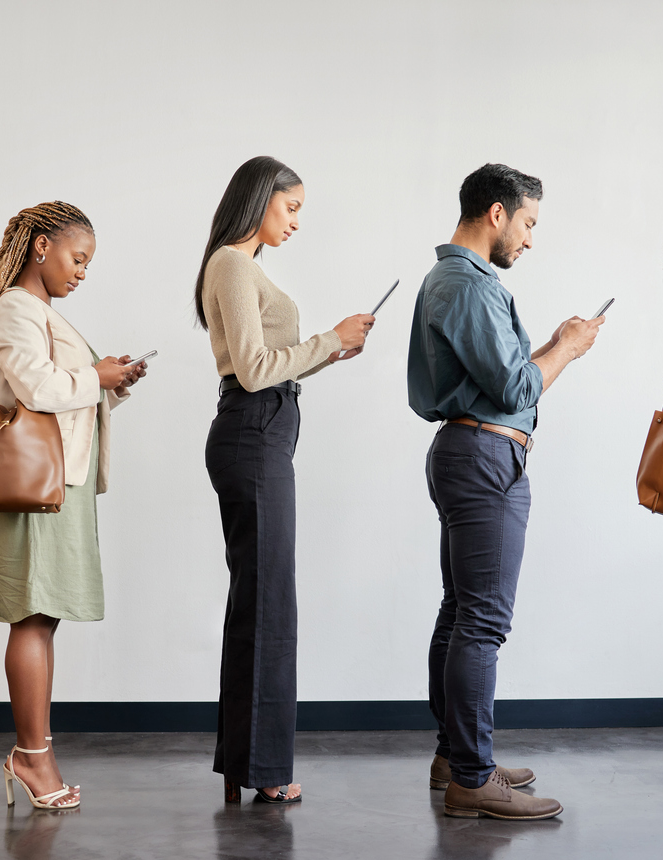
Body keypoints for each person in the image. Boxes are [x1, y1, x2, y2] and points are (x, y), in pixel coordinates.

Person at [407, 163, 604, 820]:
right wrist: (570, 349)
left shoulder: (458, 280)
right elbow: (519, 389)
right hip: (486, 456)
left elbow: (507, 373)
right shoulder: (465, 282)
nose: (529, 238)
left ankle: (457, 755)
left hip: (472, 452)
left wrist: (551, 342)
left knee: (461, 610)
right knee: (482, 620)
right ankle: (471, 774)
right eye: (527, 222)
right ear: (496, 213)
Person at [195, 156, 375, 804]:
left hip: (261, 431)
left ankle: (250, 763)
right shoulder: (233, 264)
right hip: (252, 433)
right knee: (268, 605)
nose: (296, 221)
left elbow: (273, 369)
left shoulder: (241, 265)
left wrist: (332, 350)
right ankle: (265, 767)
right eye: (290, 207)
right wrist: (328, 338)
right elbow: (251, 368)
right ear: (260, 199)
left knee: (261, 601)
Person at [0, 201, 146, 810]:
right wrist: (98, 375)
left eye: (88, 264)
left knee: (43, 617)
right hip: (35, 493)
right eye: (77, 258)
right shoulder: (15, 309)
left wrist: (110, 382)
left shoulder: (38, 312)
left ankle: (33, 752)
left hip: (56, 487)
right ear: (41, 246)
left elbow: (63, 395)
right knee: (34, 615)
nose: (82, 273)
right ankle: (32, 757)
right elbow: (35, 388)